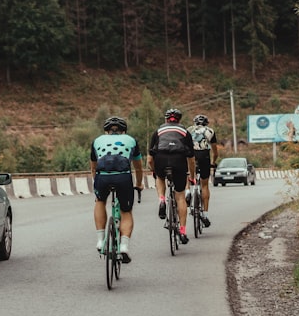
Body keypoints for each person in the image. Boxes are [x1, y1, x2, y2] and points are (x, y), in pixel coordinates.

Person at [91, 116, 144, 262]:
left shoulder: (97, 141)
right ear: (124, 131)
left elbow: (93, 167)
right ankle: (124, 246)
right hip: (123, 177)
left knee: (100, 201)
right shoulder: (131, 140)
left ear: (106, 131)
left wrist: (97, 183)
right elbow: (138, 167)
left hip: (103, 177)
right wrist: (139, 184)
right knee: (126, 212)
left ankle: (100, 240)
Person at [147, 108, 195, 244]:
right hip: (179, 160)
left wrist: (154, 170)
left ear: (165, 119)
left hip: (161, 158)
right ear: (179, 120)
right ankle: (183, 231)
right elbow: (191, 159)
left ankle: (162, 199)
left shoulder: (158, 131)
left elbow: (150, 159)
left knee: (160, 177)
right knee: (180, 196)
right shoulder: (185, 132)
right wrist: (191, 176)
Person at [188, 114, 218, 226]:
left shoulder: (189, 130)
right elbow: (215, 152)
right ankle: (205, 214)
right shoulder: (210, 131)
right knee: (204, 185)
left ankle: (187, 192)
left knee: (189, 176)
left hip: (190, 155)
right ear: (206, 123)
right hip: (204, 156)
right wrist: (213, 162)